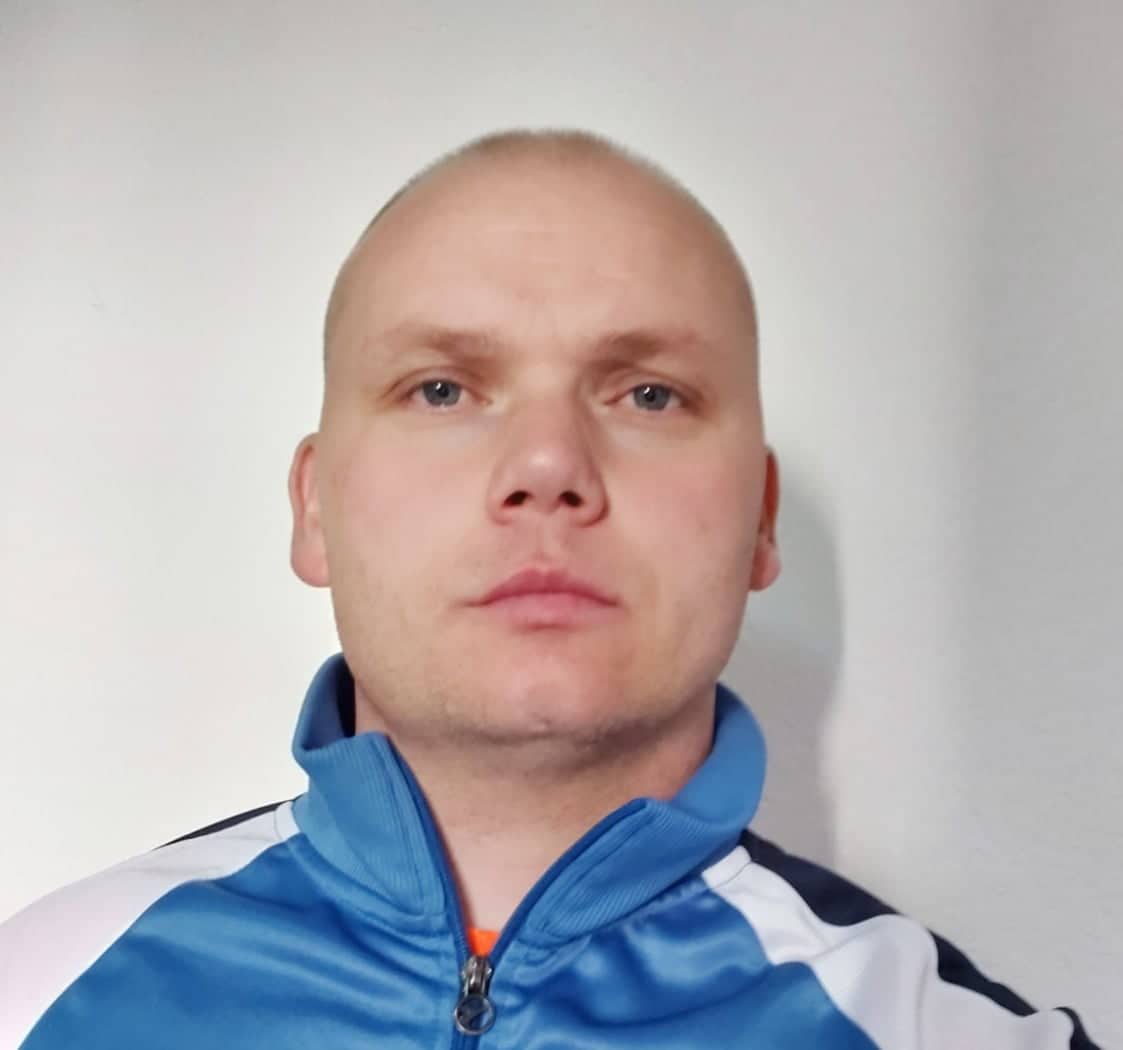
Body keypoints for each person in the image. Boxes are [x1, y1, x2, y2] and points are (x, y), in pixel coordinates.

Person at [0, 129, 1100, 1050]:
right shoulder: (32, 996)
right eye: (442, 389)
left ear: (760, 519)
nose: (547, 465)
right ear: (315, 507)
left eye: (649, 395)